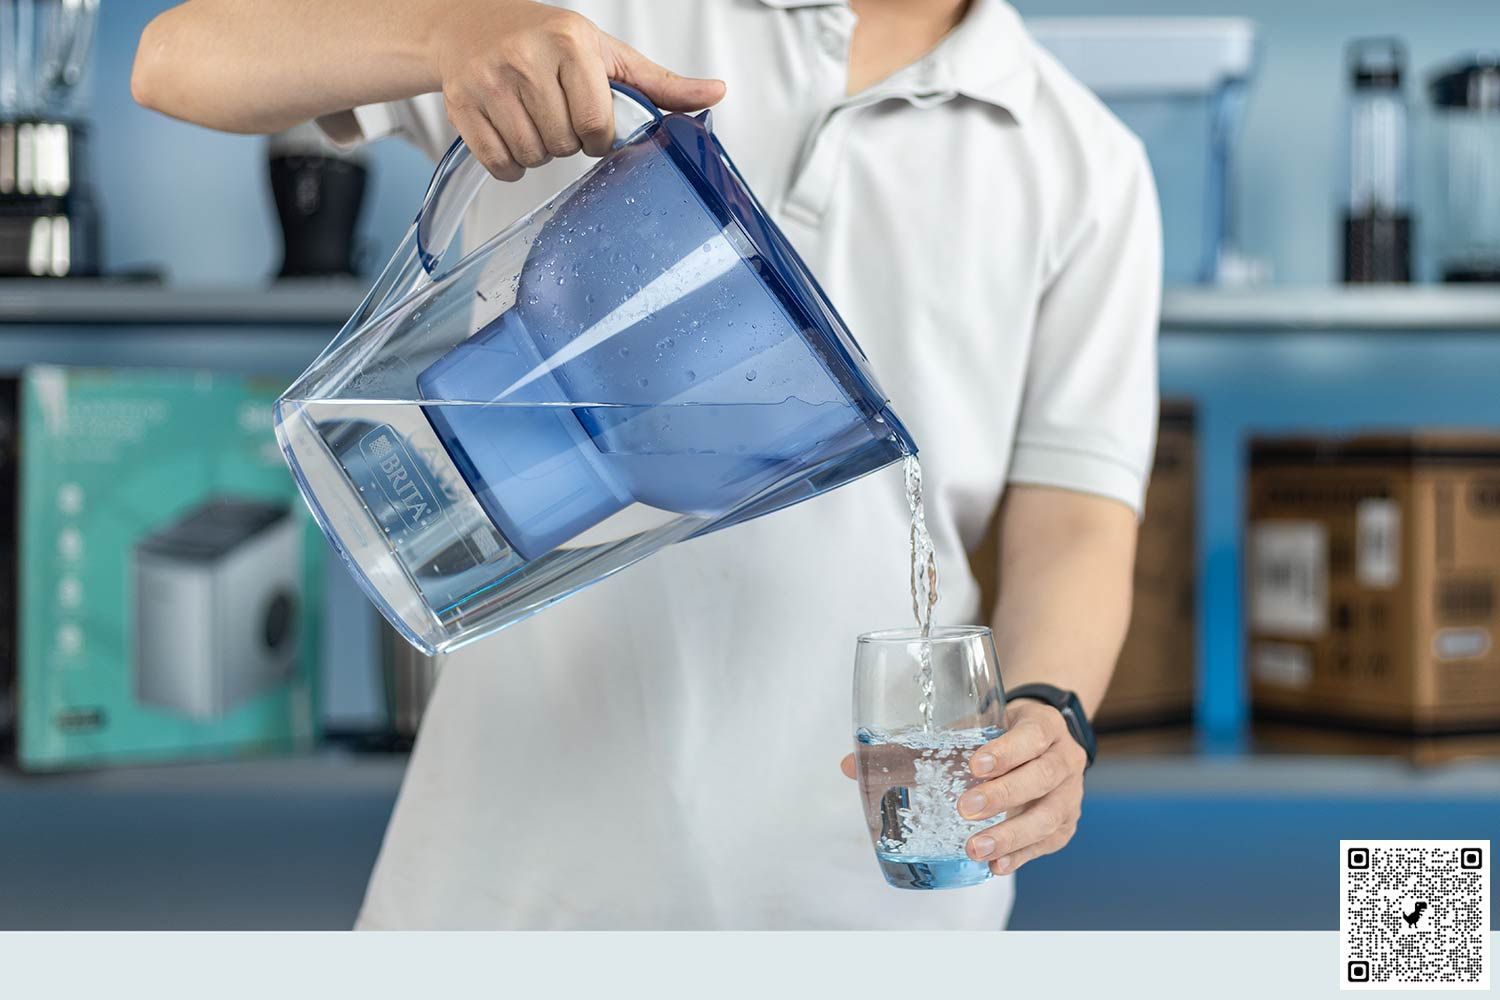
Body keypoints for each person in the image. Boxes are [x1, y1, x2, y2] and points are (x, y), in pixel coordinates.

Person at [132, 0, 1160, 930]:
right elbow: (175, 59)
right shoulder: (599, 16)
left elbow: (1074, 522)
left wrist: (1050, 709)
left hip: (873, 921)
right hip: (501, 901)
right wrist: (452, 36)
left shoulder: (1084, 163)